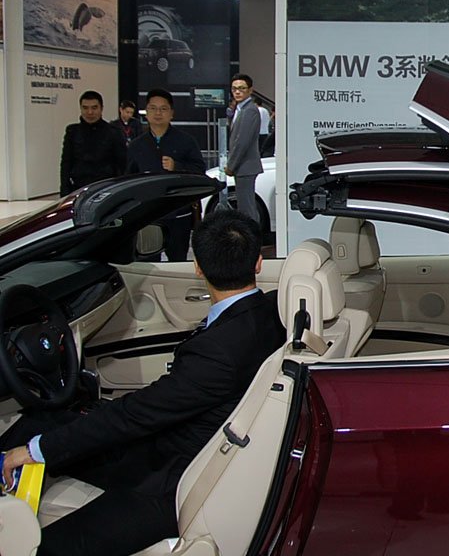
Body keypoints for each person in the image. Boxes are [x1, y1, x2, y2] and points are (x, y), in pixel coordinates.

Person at [0, 210, 285, 556]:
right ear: (258, 263)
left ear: (197, 267)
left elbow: (133, 416)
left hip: (176, 482)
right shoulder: (273, 312)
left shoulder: (216, 354)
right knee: (39, 422)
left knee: (46, 548)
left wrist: (34, 451)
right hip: (184, 445)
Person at [126, 89, 206, 260]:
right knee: (148, 261)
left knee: (178, 261)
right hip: (148, 215)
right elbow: (128, 179)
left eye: (163, 109)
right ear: (146, 112)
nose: (158, 113)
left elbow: (199, 170)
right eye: (153, 108)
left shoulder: (185, 141)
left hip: (178, 213)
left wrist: (177, 166)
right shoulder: (136, 145)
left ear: (171, 113)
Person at [59, 90, 126, 196]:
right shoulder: (72, 132)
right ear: (80, 108)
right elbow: (66, 164)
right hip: (78, 189)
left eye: (94, 108)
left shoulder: (113, 132)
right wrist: (65, 192)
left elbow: (122, 164)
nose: (90, 112)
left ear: (101, 108)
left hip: (106, 190)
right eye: (85, 108)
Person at [226, 75, 264, 224]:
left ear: (250, 90)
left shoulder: (250, 110)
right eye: (234, 88)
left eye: (241, 88)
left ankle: (252, 234)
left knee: (247, 208)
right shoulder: (240, 109)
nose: (237, 92)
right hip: (243, 167)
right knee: (244, 206)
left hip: (245, 166)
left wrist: (231, 165)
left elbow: (242, 142)